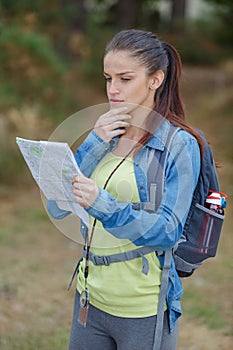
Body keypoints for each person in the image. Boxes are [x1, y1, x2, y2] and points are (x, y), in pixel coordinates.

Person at [47, 29, 201, 350]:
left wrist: (102, 204)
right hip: (90, 298)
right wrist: (93, 142)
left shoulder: (179, 145)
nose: (113, 90)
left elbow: (168, 231)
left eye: (125, 79)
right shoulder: (104, 135)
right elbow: (57, 207)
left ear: (155, 80)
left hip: (142, 308)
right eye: (108, 78)